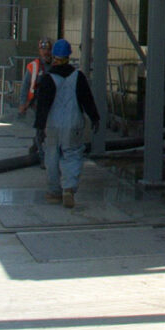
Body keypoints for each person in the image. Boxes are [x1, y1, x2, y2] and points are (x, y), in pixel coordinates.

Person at [34, 39, 100, 209]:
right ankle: (68, 188)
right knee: (72, 154)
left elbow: (42, 105)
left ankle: (54, 191)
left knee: (52, 156)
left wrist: (39, 127)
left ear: (54, 56)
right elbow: (87, 100)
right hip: (74, 123)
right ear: (69, 56)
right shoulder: (78, 77)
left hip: (53, 124)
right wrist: (95, 118)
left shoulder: (48, 79)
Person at [18, 37, 52, 116]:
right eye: (43, 49)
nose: (45, 52)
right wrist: (23, 103)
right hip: (35, 103)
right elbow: (25, 85)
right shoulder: (33, 66)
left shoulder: (55, 66)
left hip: (51, 103)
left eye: (47, 49)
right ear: (39, 51)